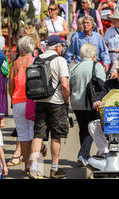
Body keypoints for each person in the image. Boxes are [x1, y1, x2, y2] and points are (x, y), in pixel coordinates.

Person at [29, 35, 70, 179]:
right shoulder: (60, 60)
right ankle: (54, 169)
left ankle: (33, 167)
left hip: (40, 100)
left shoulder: (38, 58)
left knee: (38, 134)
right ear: (58, 47)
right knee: (56, 135)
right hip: (57, 102)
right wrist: (67, 99)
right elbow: (64, 84)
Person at [69, 43, 106, 167]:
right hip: (92, 102)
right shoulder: (97, 67)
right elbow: (103, 85)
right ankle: (83, 154)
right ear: (94, 54)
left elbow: (69, 85)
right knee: (91, 129)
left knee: (83, 128)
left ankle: (83, 154)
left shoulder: (74, 67)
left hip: (76, 102)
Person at [8, 36, 36, 174]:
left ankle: (27, 164)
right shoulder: (35, 61)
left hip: (18, 101)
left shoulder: (16, 63)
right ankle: (34, 164)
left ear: (20, 48)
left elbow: (11, 86)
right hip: (33, 101)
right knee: (34, 133)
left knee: (23, 135)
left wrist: (13, 98)